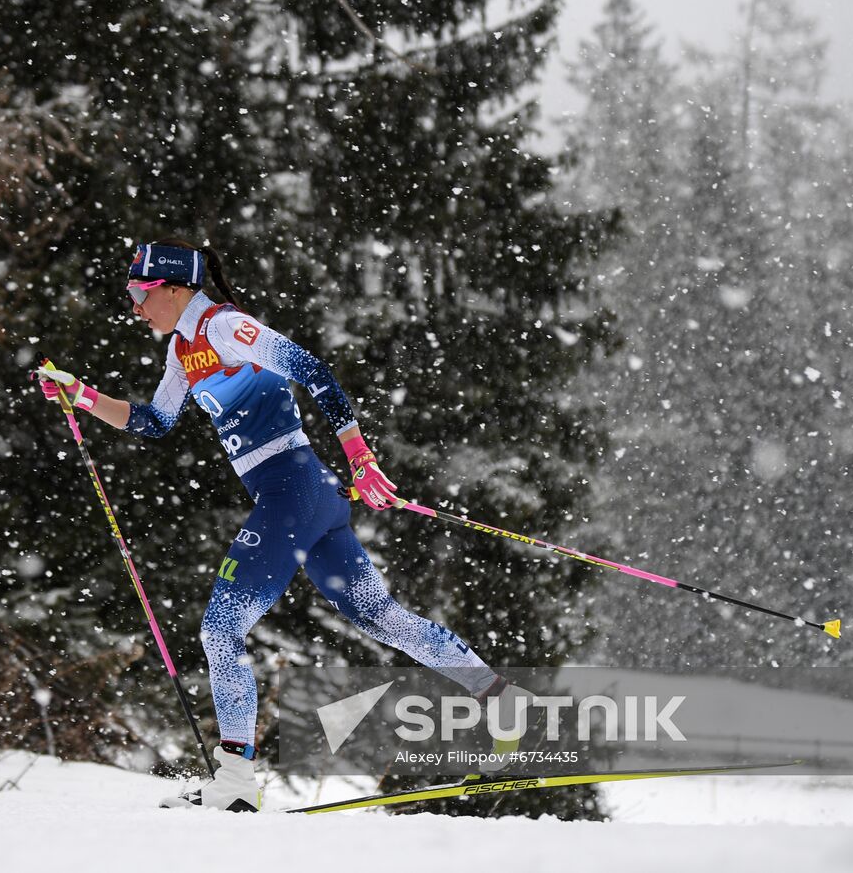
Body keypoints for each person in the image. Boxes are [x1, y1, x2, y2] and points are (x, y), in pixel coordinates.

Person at [36, 239, 524, 812]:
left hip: (292, 489)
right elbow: (154, 422)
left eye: (140, 294)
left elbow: (311, 369)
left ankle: (237, 784)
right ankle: (501, 697)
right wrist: (83, 395)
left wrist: (360, 457)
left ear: (173, 288)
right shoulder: (180, 350)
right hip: (305, 497)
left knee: (221, 628)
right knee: (382, 618)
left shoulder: (225, 327)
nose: (135, 307)